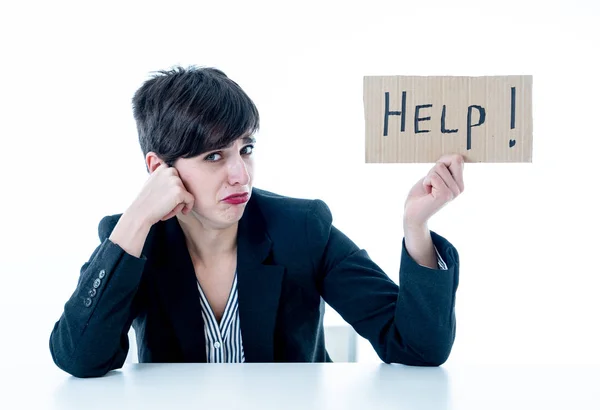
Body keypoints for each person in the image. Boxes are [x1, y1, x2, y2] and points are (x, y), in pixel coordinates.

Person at [49, 66, 464, 378]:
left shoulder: (301, 228)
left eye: (245, 149)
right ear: (160, 169)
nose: (240, 175)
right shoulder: (136, 240)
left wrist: (416, 228)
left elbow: (416, 347)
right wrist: (136, 218)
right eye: (214, 156)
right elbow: (80, 358)